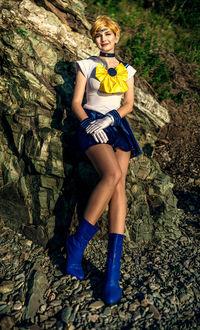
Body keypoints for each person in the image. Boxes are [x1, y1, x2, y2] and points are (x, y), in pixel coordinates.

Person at [66, 15, 142, 304]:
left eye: (108, 34)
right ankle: (76, 245)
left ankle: (112, 273)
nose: (103, 39)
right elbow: (76, 103)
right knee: (111, 175)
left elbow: (129, 104)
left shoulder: (126, 70)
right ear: (94, 39)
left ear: (116, 36)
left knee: (119, 186)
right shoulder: (86, 65)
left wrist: (111, 118)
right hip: (91, 126)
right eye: (98, 35)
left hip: (117, 126)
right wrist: (88, 123)